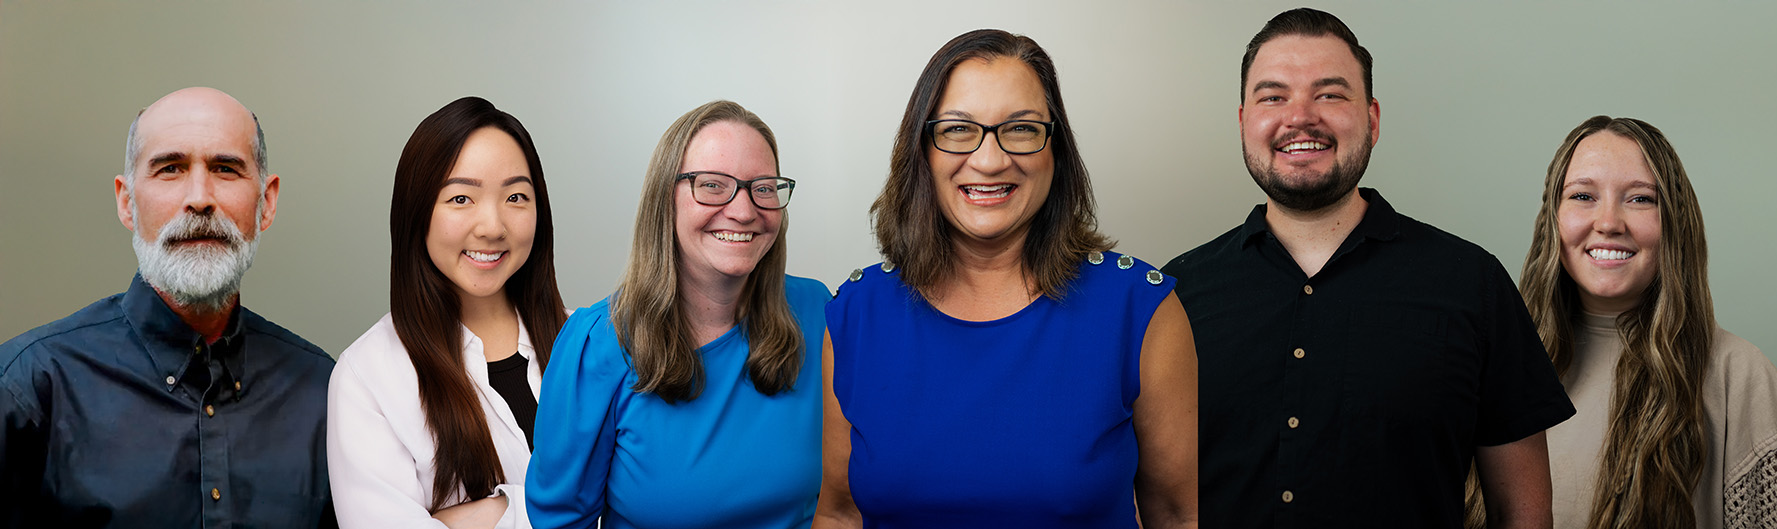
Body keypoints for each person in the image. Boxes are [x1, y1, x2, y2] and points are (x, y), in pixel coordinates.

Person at [1163, 9, 1574, 528]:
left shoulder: (1472, 284)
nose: (1300, 116)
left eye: (1330, 94)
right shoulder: (1176, 295)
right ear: (1244, 121)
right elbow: (1157, 505)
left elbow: (1524, 514)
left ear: (1373, 119)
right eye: (1273, 96)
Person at [813, 29, 1199, 529]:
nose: (991, 160)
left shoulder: (1141, 310)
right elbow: (840, 515)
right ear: (922, 150)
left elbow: (1176, 515)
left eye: (1020, 128)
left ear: (1054, 148)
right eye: (957, 129)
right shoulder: (855, 315)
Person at [0, 87, 336, 527]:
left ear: (266, 203)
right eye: (170, 169)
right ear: (127, 202)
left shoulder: (324, 392)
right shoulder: (28, 386)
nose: (200, 198)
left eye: (226, 169)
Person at [526, 100, 827, 529]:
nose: (743, 211)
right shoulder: (597, 345)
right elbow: (559, 522)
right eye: (712, 185)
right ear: (665, 199)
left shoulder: (818, 314)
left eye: (763, 187)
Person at [1493, 116, 1777, 529]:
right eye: (1583, 196)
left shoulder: (1736, 375)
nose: (1609, 222)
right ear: (1553, 220)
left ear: (1674, 221)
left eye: (1639, 199)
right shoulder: (1499, 367)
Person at [327, 96, 567, 528]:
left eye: (516, 196)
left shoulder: (591, 341)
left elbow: (655, 504)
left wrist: (495, 513)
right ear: (417, 212)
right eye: (461, 199)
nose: (492, 226)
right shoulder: (367, 378)